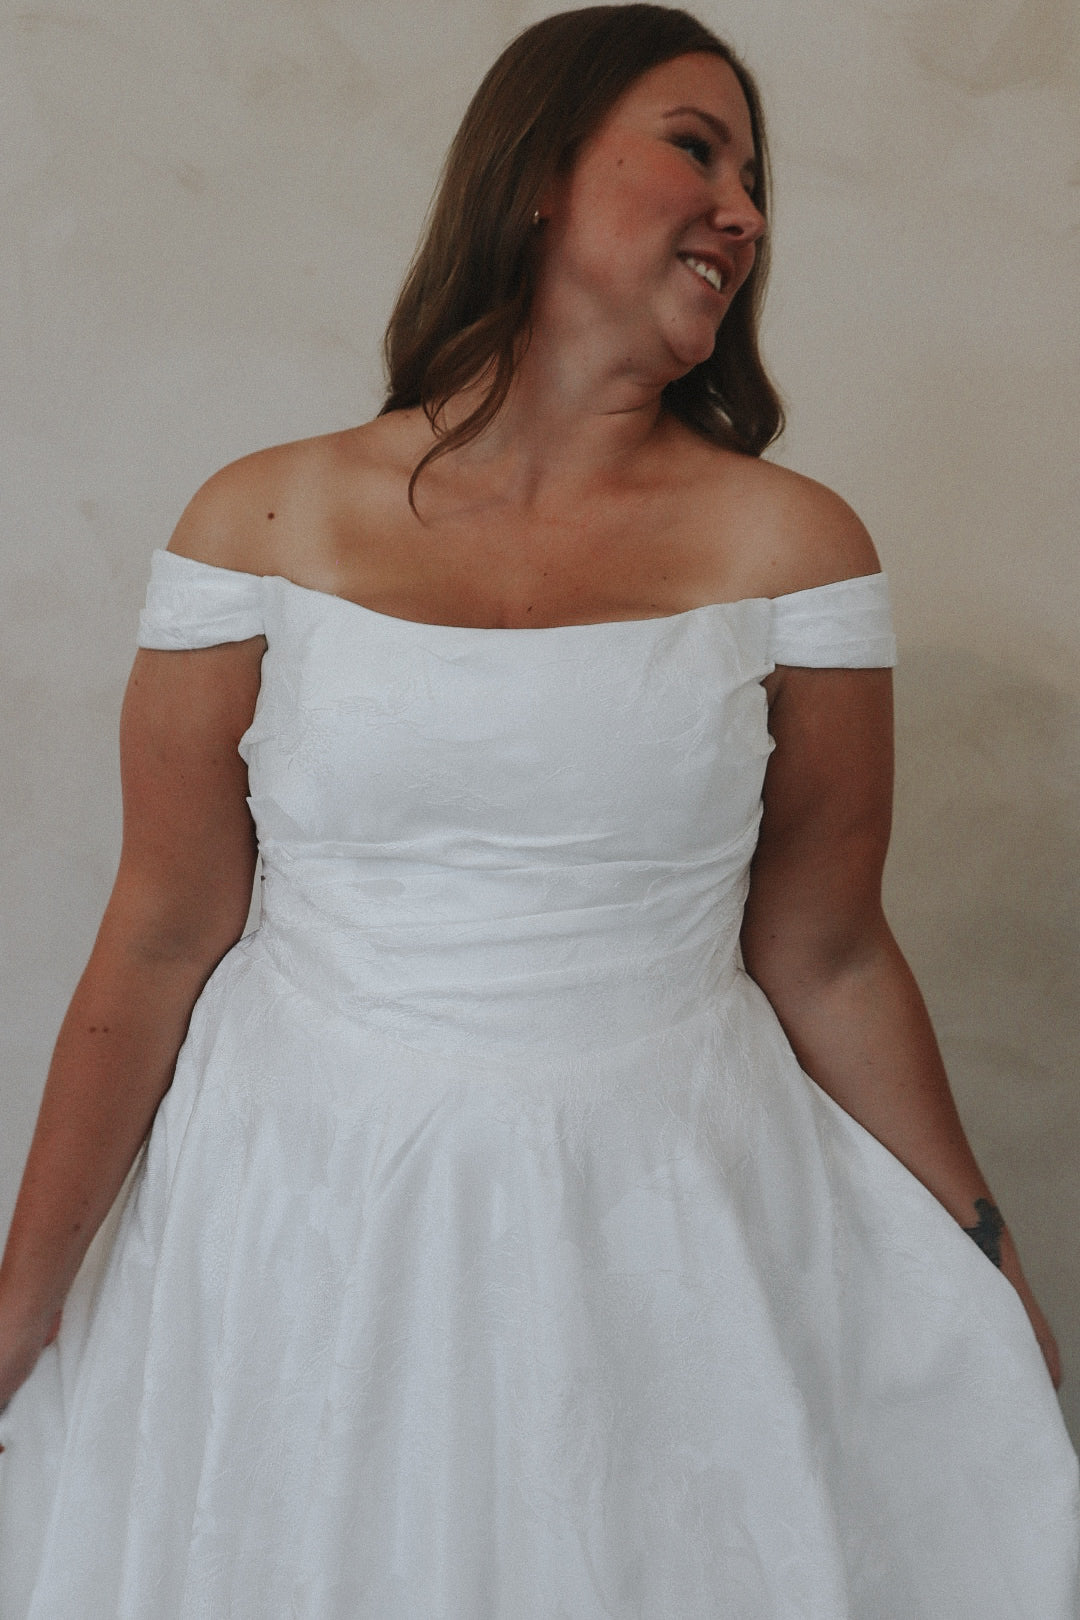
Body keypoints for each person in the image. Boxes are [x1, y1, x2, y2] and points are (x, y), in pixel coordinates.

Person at [0, 4, 1076, 1615]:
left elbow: (831, 952)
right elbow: (161, 930)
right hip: (296, 1221)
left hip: (662, 1228)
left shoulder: (796, 549)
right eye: (697, 149)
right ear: (536, 174)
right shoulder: (259, 520)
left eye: (758, 181)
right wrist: (23, 1302)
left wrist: (981, 1252)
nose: (745, 213)